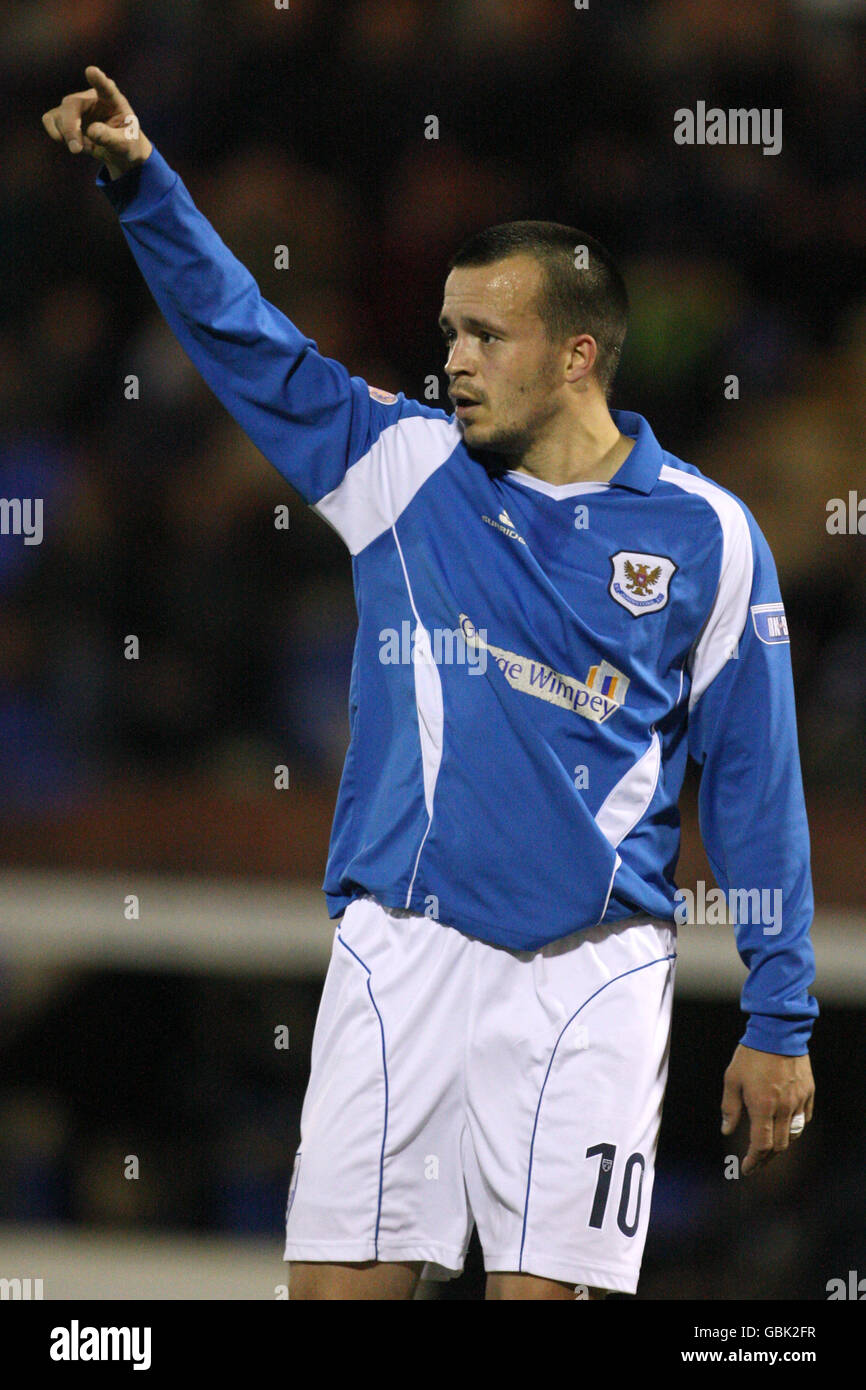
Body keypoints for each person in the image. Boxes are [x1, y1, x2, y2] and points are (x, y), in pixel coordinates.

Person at [42, 68, 817, 1302]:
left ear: (575, 354)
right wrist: (141, 182)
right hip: (397, 954)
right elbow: (247, 339)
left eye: (481, 336)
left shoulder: (709, 538)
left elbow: (755, 788)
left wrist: (779, 1016)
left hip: (593, 977)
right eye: (446, 330)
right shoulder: (399, 468)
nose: (448, 357)